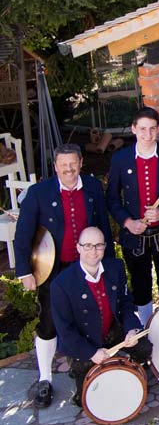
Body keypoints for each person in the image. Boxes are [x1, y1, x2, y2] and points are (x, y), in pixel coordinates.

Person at [16, 146, 112, 408]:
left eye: (73, 164)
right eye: (63, 165)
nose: (69, 170)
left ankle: (85, 372)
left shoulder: (92, 187)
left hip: (87, 266)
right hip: (52, 269)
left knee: (90, 319)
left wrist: (110, 263)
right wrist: (25, 271)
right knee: (48, 322)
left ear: (81, 163)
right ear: (55, 166)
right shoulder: (38, 193)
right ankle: (45, 379)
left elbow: (103, 225)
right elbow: (23, 235)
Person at [50, 227, 150, 406]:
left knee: (144, 347)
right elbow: (65, 330)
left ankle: (130, 373)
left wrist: (131, 329)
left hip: (111, 330)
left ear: (105, 247)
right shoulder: (61, 284)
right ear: (78, 248)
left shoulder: (115, 267)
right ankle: (79, 369)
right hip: (84, 339)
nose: (93, 251)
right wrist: (91, 353)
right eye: (87, 246)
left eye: (98, 245)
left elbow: (126, 304)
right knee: (86, 400)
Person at [106, 108, 159, 326]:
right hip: (134, 235)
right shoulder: (121, 159)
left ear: (158, 129)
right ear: (134, 129)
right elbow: (111, 198)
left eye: (152, 129)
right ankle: (147, 329)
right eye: (143, 129)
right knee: (140, 285)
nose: (148, 135)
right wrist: (128, 222)